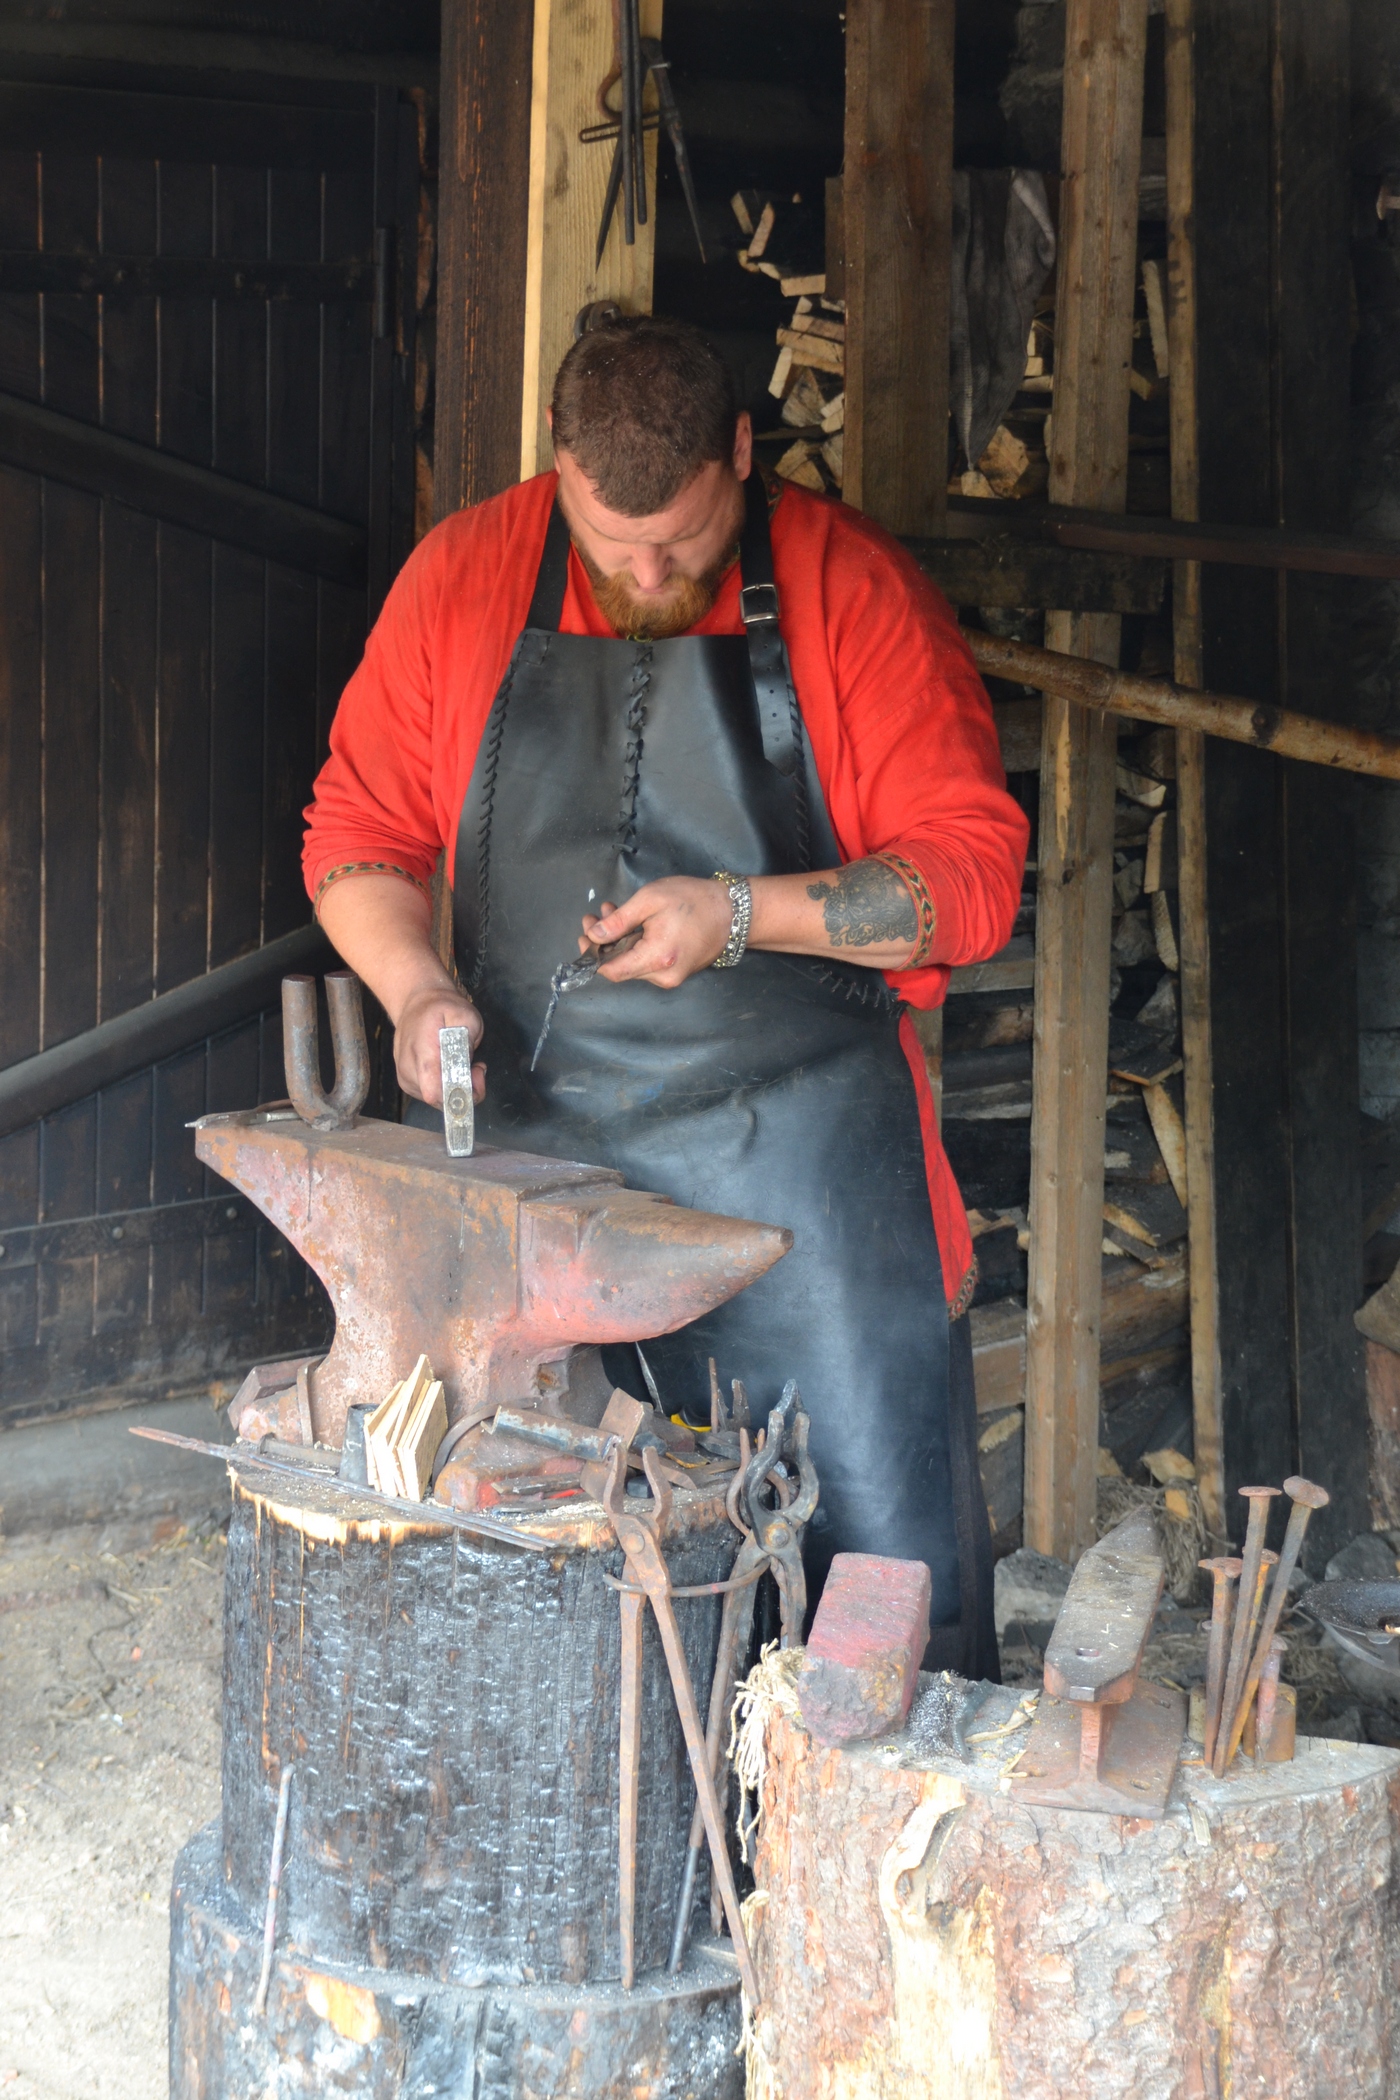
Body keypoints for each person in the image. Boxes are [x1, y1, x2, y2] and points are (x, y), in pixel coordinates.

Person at [304, 316, 1028, 1675]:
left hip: (803, 1184)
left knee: (877, 1618)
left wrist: (743, 914)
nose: (644, 573)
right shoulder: (464, 577)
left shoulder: (851, 591)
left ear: (741, 457)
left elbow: (972, 880)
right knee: (557, 1619)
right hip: (536, 1173)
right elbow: (358, 831)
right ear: (558, 463)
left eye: (683, 540)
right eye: (606, 533)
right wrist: (416, 991)